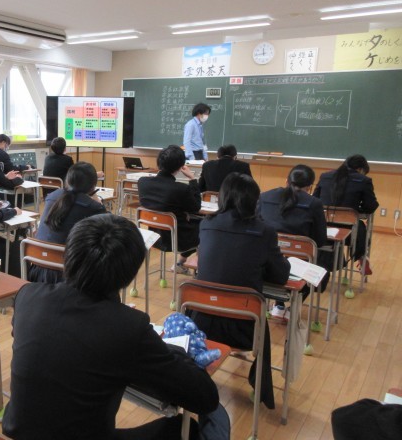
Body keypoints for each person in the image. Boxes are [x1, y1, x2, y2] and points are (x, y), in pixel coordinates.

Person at [2, 214, 225, 440]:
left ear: (67, 256)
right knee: (188, 429)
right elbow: (205, 398)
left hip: (17, 433)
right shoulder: (128, 327)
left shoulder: (28, 296)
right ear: (129, 275)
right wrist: (179, 354)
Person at [192, 172, 290, 410]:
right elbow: (280, 276)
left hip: (201, 321)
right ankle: (260, 387)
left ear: (222, 196)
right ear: (254, 201)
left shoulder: (207, 224)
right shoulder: (264, 232)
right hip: (245, 329)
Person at [257, 164, 331, 318]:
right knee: (321, 265)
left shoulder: (265, 196)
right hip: (300, 258)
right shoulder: (314, 203)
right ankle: (294, 306)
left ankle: (279, 304)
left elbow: (257, 225)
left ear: (287, 181)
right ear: (309, 187)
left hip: (267, 259)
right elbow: (320, 240)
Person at [32, 162, 106, 283]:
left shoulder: (52, 196)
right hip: (69, 275)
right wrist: (97, 201)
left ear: (67, 180)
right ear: (93, 186)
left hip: (38, 268)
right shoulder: (93, 207)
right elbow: (108, 229)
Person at [138, 145, 202, 270]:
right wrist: (192, 179)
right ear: (180, 166)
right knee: (206, 228)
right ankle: (197, 270)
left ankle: (180, 264)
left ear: (158, 163)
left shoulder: (143, 182)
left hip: (154, 237)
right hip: (178, 240)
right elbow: (196, 208)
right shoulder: (181, 189)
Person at [313, 154, 379, 273]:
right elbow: (370, 206)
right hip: (348, 233)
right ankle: (361, 256)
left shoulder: (325, 176)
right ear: (360, 169)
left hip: (322, 228)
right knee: (360, 227)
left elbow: (315, 200)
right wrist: (356, 210)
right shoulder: (364, 180)